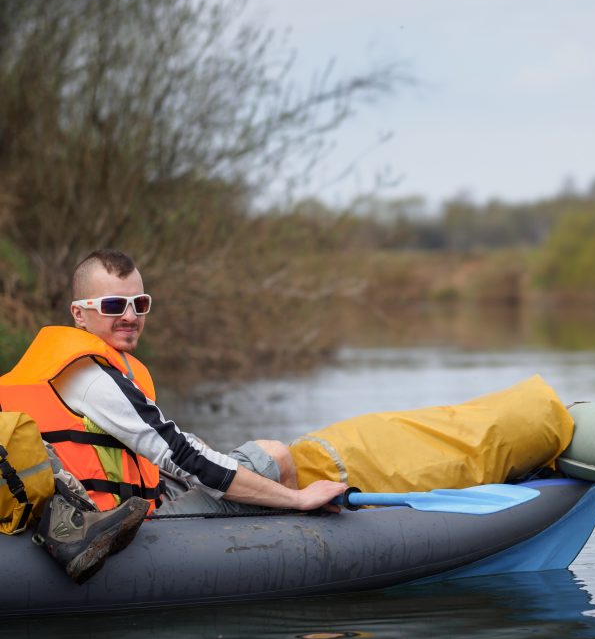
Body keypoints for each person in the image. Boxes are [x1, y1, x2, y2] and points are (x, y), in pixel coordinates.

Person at [0, 249, 348, 582]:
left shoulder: (46, 368)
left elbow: (153, 446)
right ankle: (301, 560)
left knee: (213, 458)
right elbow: (183, 456)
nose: (131, 317)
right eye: (113, 306)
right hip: (126, 524)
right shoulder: (92, 379)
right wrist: (299, 498)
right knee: (276, 455)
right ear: (79, 313)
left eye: (140, 303)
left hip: (81, 512)